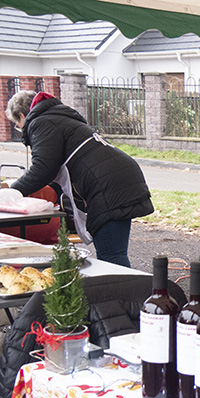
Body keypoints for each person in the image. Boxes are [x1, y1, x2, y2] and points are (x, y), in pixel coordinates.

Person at [5, 90, 154, 267]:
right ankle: (125, 292)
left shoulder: (41, 122)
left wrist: (13, 191)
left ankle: (123, 293)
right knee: (115, 252)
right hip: (120, 177)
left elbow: (44, 169)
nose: (20, 128)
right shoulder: (58, 117)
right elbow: (57, 169)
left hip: (107, 185)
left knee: (111, 256)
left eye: (17, 124)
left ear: (22, 116)